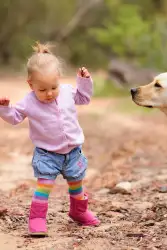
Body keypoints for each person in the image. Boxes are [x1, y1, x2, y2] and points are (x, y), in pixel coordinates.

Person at [0, 42, 100, 236]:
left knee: (76, 184)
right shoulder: (28, 101)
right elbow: (14, 118)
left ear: (59, 79)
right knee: (44, 187)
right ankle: (37, 219)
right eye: (43, 89)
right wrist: (5, 108)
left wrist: (84, 82)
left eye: (53, 87)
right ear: (31, 84)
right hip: (47, 155)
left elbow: (84, 98)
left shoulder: (68, 92)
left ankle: (79, 212)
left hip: (73, 153)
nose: (49, 93)